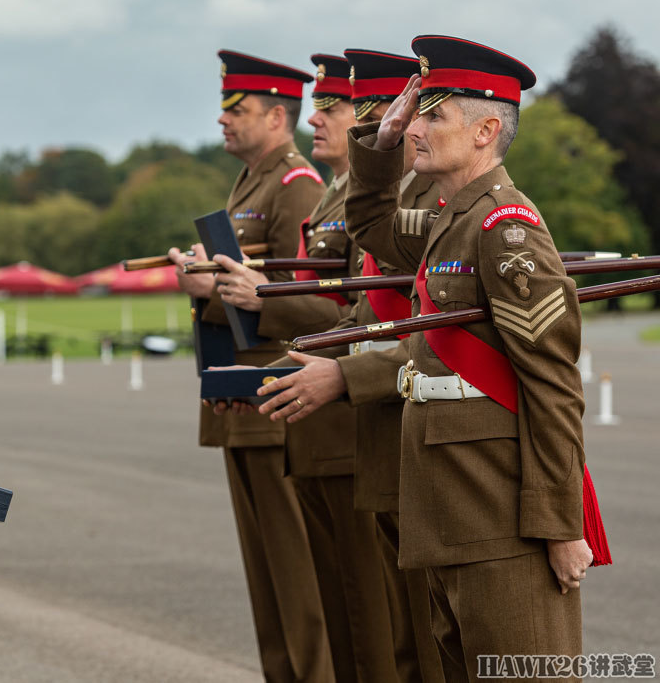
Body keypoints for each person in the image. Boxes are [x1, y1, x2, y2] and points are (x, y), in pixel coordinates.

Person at [339, 35, 591, 679]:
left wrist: (561, 527)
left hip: (500, 515)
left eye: (433, 115)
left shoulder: (504, 228)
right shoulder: (452, 220)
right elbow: (369, 229)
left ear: (485, 131)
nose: (416, 126)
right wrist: (383, 141)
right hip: (449, 509)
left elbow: (552, 386)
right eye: (417, 112)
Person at [256, 49, 445, 683]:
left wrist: (336, 365)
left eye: (371, 113)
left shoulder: (437, 204)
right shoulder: (381, 198)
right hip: (362, 414)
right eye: (357, 113)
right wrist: (315, 350)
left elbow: (438, 332)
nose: (372, 131)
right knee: (378, 626)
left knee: (409, 628)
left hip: (404, 426)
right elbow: (364, 307)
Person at [169, 50, 334, 683]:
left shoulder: (297, 187)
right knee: (268, 583)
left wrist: (219, 290)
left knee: (299, 582)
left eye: (238, 111)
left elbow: (314, 304)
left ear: (276, 117)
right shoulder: (250, 183)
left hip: (275, 399)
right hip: (241, 401)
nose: (223, 122)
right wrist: (204, 281)